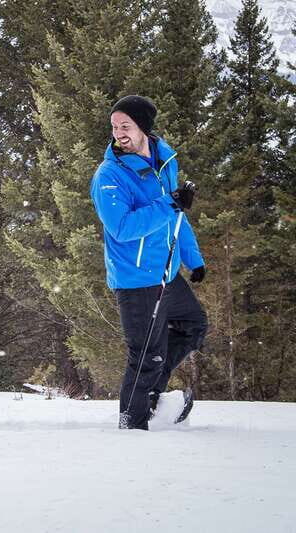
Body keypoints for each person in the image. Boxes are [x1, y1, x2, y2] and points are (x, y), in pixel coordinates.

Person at [90, 95, 208, 430]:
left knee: (193, 325)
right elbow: (123, 228)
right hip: (136, 278)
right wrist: (169, 205)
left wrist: (192, 258)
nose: (118, 133)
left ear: (144, 128)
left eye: (125, 126)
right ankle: (133, 424)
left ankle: (153, 394)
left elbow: (177, 218)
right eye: (114, 126)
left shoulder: (163, 159)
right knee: (145, 355)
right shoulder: (110, 175)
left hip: (166, 272)